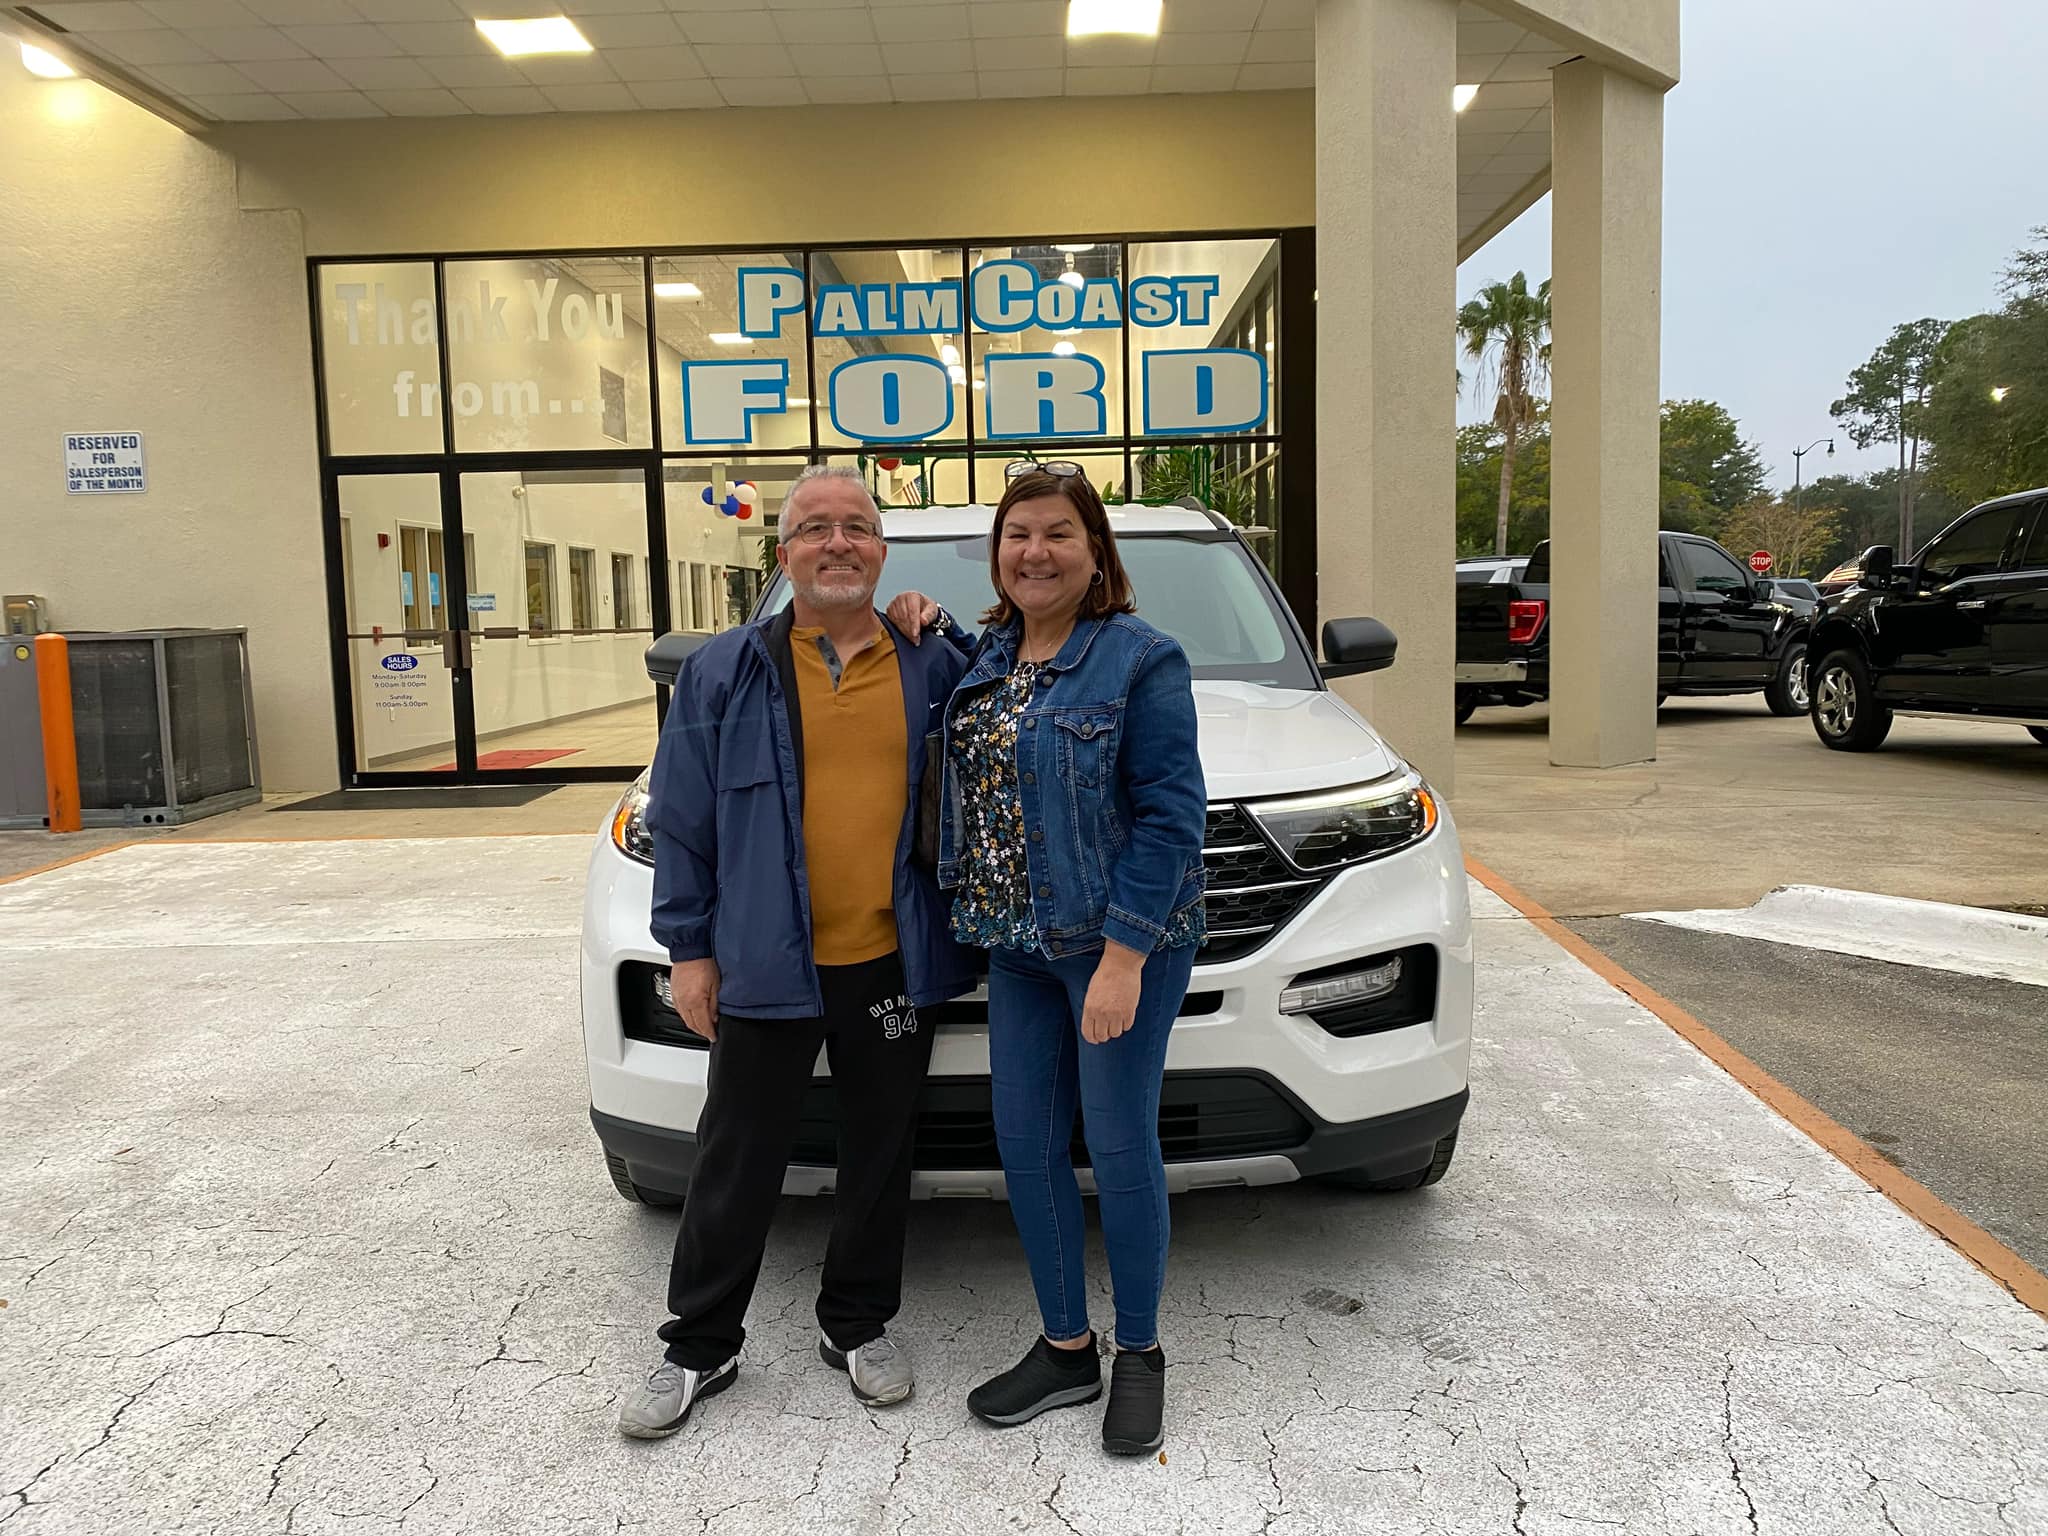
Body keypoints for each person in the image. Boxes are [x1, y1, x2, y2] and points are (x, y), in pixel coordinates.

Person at [617, 464, 977, 1440]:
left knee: (879, 1151)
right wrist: (689, 950)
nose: (837, 542)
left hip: (890, 963)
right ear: (783, 555)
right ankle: (700, 1343)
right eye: (815, 528)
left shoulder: (928, 664)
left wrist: (942, 619)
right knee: (736, 1155)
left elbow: (1007, 688)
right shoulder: (722, 671)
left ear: (880, 551)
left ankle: (854, 1324)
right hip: (763, 964)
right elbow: (683, 821)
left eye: (855, 526)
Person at [888, 462, 1207, 1457]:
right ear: (997, 553)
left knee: (1118, 1146)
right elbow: (969, 694)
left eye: (1058, 533)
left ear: (1095, 551)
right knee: (1024, 1145)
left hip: (1115, 946)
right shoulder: (989, 653)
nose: (1035, 551)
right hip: (1015, 948)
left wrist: (1122, 959)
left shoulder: (1142, 661)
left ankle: (1140, 1352)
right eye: (1017, 533)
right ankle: (1067, 1348)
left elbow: (1171, 820)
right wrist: (919, 612)